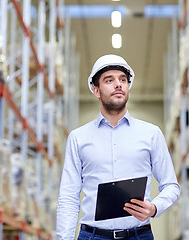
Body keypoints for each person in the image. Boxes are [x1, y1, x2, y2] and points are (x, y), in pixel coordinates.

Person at [56, 54, 181, 240]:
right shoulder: (78, 138)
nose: (118, 84)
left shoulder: (151, 134)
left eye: (123, 79)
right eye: (109, 80)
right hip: (92, 236)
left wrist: (154, 208)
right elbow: (68, 197)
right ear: (96, 90)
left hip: (139, 235)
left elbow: (172, 186)